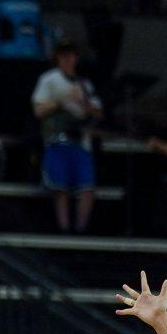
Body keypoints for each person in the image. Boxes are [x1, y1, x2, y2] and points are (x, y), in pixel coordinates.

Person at [31, 41, 104, 234]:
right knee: (60, 189)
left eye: (71, 55)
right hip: (58, 139)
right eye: (64, 55)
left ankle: (81, 229)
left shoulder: (84, 84)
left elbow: (98, 112)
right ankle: (64, 229)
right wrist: (62, 101)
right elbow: (39, 110)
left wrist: (84, 103)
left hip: (81, 141)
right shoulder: (49, 79)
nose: (68, 59)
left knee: (87, 188)